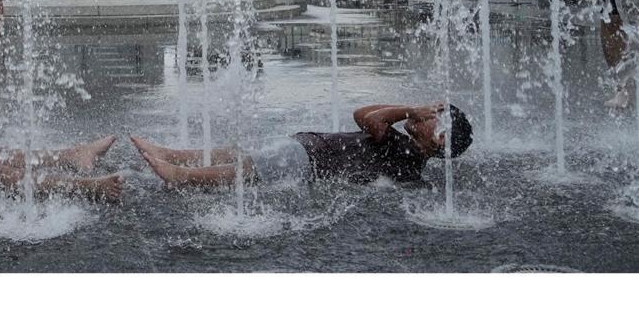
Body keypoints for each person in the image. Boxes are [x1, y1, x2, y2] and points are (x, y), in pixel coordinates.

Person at [132, 102, 472, 188]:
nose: (424, 112)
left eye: (433, 115)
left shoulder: (406, 152)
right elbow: (369, 115)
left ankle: (183, 176)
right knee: (241, 156)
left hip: (311, 158)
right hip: (308, 153)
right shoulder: (410, 155)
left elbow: (365, 117)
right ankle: (173, 156)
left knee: (245, 168)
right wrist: (411, 112)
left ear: (438, 138)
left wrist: (408, 111)